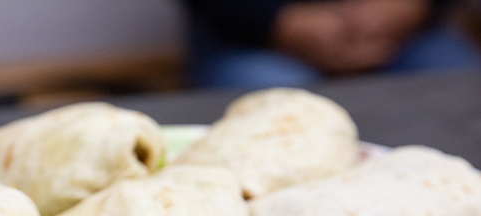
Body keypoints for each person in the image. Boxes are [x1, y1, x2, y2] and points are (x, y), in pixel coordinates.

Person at [180, 0, 481, 88]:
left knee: (459, 89)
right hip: (254, 33)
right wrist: (280, 23)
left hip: (405, 30)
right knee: (276, 109)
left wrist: (413, 6)